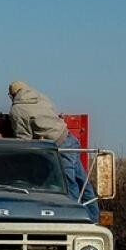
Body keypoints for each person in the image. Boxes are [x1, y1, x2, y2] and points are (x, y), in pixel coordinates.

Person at [8, 81, 98, 221]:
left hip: (59, 147)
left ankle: (73, 220)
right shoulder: (40, 96)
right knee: (83, 183)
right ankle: (93, 218)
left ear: (12, 95)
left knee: (68, 186)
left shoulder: (17, 110)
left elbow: (24, 138)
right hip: (69, 138)